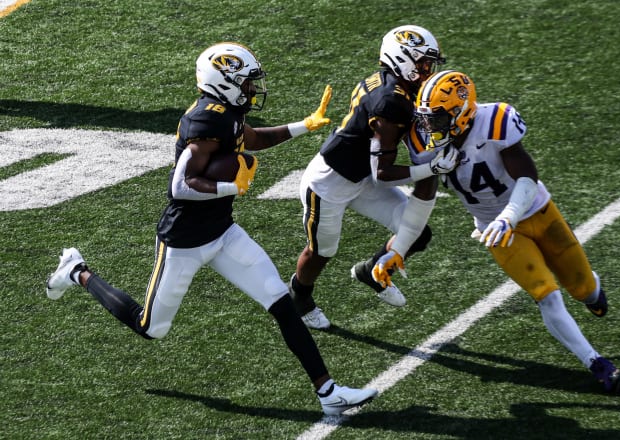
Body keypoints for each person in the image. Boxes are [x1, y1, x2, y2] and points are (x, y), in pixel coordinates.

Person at [45, 42, 378, 415]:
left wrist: (304, 125)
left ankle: (328, 393)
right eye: (247, 83)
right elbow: (180, 186)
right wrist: (230, 186)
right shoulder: (204, 122)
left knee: (282, 305)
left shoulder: (227, 113)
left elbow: (250, 138)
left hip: (222, 232)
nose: (253, 89)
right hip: (184, 240)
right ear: (224, 83)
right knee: (151, 327)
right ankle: (77, 271)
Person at [387, 69, 620, 393]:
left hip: (536, 212)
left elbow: (527, 175)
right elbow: (420, 191)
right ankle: (596, 363)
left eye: (438, 118)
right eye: (426, 118)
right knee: (546, 295)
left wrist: (509, 216)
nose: (429, 126)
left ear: (462, 111)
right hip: (495, 230)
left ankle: (593, 292)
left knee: (584, 289)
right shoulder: (422, 141)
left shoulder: (495, 121)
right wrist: (400, 244)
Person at [289, 25, 457, 329]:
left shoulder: (393, 85)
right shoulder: (390, 101)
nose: (427, 70)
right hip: (329, 184)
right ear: (402, 59)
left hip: (361, 176)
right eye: (422, 63)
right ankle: (299, 295)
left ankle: (372, 269)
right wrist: (431, 169)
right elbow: (384, 174)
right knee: (322, 252)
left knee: (416, 232)